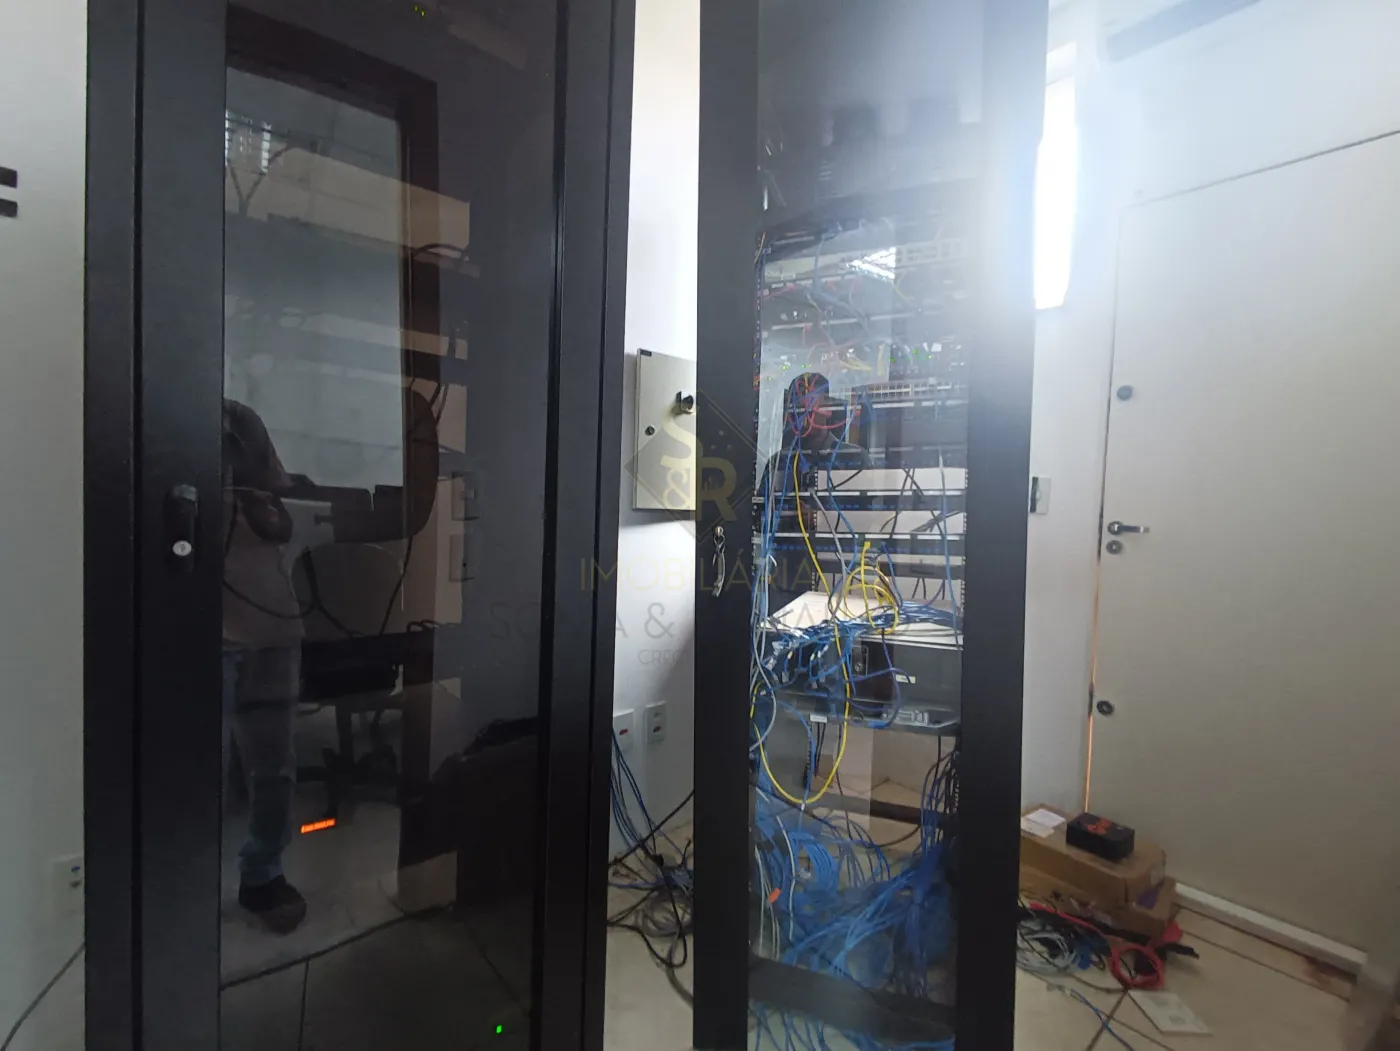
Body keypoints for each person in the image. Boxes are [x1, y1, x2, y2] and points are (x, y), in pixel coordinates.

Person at [222, 398, 307, 933]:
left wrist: (256, 486)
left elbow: (280, 508)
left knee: (274, 768)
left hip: (274, 630)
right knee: (192, 774)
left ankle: (263, 875)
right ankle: (177, 889)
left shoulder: (246, 428)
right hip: (207, 638)